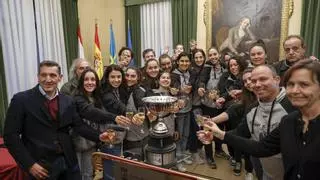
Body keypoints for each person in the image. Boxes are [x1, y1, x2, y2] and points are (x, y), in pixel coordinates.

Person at [203, 59, 320, 180]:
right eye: (291, 84)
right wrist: (217, 134)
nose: (257, 84)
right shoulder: (288, 120)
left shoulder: (292, 107)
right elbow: (260, 147)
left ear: (277, 80)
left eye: (304, 84)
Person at [3, 60, 113, 180]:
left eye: (53, 75)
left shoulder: (68, 100)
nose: (48, 79)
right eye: (44, 75)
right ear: (38, 77)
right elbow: (10, 136)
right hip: (39, 167)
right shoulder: (21, 100)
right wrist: (29, 164)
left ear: (60, 78)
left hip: (69, 163)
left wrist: (99, 136)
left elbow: (79, 126)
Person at [73, 68, 130, 180]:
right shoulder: (77, 97)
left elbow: (101, 117)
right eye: (86, 79)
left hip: (91, 142)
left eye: (93, 79)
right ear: (81, 82)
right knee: (78, 175)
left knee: (89, 174)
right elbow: (90, 112)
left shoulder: (96, 97)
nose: (90, 82)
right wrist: (115, 117)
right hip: (77, 143)